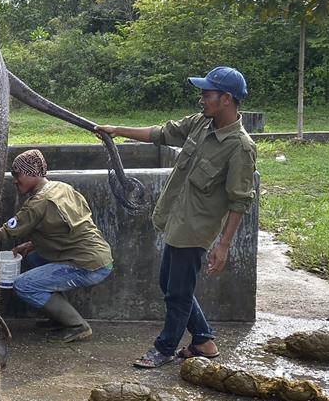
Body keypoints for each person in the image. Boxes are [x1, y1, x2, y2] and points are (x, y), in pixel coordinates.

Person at [96, 66, 257, 368]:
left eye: (207, 94)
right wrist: (116, 130)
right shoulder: (200, 124)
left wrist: (223, 245)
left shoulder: (240, 148)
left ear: (226, 99)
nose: (201, 99)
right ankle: (204, 340)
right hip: (176, 220)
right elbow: (161, 133)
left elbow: (240, 200)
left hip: (197, 229)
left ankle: (165, 348)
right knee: (170, 285)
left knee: (178, 293)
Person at [0, 149, 114, 343]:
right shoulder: (62, 187)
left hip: (88, 266)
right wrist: (33, 244)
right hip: (99, 256)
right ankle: (60, 317)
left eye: (18, 175)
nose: (15, 180)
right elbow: (68, 226)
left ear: (32, 173)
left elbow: (3, 235)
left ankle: (77, 325)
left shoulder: (37, 203)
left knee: (23, 285)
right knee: (33, 258)